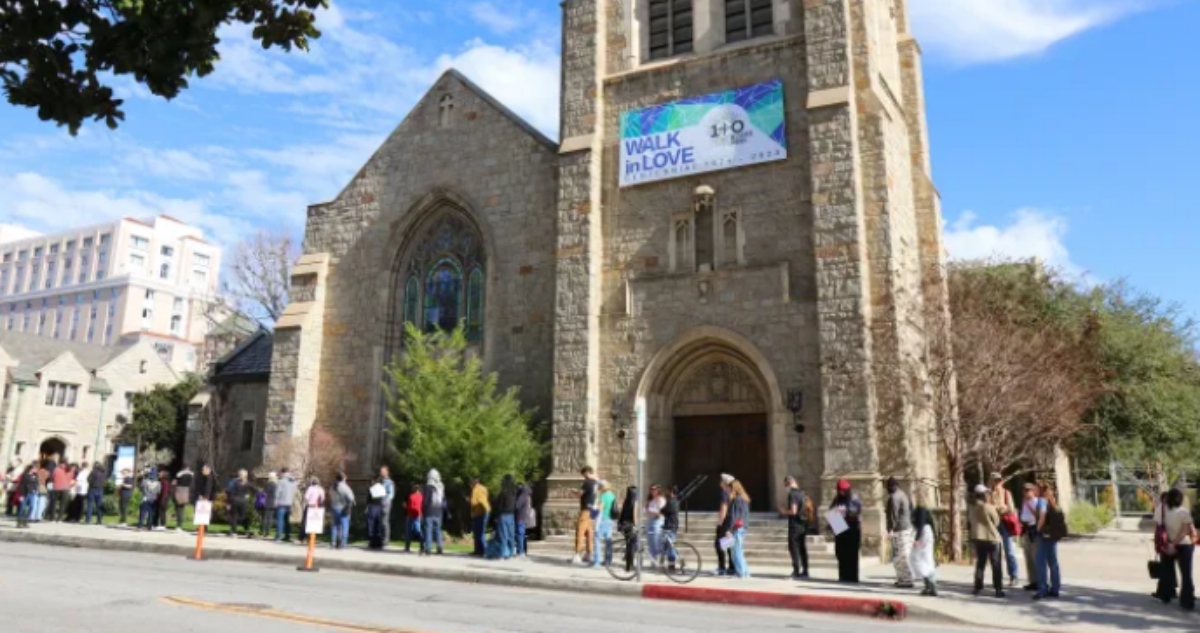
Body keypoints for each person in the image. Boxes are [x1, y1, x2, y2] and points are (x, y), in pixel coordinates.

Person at [1156, 487, 1196, 610]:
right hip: (1184, 545)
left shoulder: (1160, 509)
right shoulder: (1184, 512)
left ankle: (1166, 595)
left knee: (1167, 570)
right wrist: (1175, 543)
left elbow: (1159, 527)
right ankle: (1186, 601)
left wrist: (1169, 543)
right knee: (1186, 574)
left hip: (1166, 544)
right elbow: (1185, 531)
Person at [969, 484, 1005, 598]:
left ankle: (977, 586)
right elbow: (997, 521)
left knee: (980, 563)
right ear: (983, 495)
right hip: (992, 538)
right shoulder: (988, 507)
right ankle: (998, 589)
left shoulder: (972, 508)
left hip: (979, 538)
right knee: (996, 564)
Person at [1034, 486, 1068, 601]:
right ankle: (1055, 589)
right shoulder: (1054, 503)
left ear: (1041, 491)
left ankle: (1042, 589)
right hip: (1052, 536)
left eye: (1035, 489)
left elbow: (1042, 515)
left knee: (1041, 563)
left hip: (1043, 536)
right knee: (1053, 563)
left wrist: (1037, 529)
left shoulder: (1042, 501)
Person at [989, 473, 1021, 588]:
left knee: (1009, 551)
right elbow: (988, 508)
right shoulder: (989, 494)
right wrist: (999, 508)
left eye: (998, 480)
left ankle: (1014, 575)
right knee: (995, 553)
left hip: (1005, 523)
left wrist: (999, 508)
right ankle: (998, 578)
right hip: (994, 524)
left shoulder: (1006, 493)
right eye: (995, 481)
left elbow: (1011, 509)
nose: (997, 483)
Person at [830, 478, 863, 583]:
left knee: (852, 554)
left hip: (852, 528)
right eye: (839, 491)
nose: (841, 493)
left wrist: (845, 512)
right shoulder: (837, 499)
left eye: (843, 491)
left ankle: (852, 577)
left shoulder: (854, 498)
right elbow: (831, 509)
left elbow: (857, 510)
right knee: (840, 552)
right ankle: (843, 575)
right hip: (840, 527)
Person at [887, 477, 916, 589]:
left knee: (900, 555)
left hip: (900, 529)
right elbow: (912, 510)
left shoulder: (894, 497)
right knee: (903, 554)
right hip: (908, 528)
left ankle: (906, 580)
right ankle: (902, 578)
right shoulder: (904, 494)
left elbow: (893, 516)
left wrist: (890, 529)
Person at [781, 475, 810, 579]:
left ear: (788, 483)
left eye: (785, 485)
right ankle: (805, 570)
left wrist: (784, 511)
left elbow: (793, 511)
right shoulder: (802, 493)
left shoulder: (792, 494)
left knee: (794, 548)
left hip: (794, 525)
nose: (786, 488)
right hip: (803, 524)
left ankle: (796, 570)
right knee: (802, 548)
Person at [1019, 482, 1045, 591]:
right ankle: (1032, 581)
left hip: (1034, 529)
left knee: (1036, 557)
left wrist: (1029, 505)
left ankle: (1040, 581)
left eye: (1028, 491)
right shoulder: (1024, 502)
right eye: (1025, 491)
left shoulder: (1036, 502)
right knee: (1028, 557)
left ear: (1033, 491)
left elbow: (1038, 516)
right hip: (1026, 529)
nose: (1026, 493)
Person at [572, 466, 598, 565]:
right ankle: (589, 553)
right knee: (589, 532)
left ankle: (577, 554)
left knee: (580, 531)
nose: (583, 476)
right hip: (593, 510)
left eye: (583, 474)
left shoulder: (587, 482)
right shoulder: (596, 483)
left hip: (585, 510)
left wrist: (574, 492)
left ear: (586, 472)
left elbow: (580, 494)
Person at [910, 506, 939, 596]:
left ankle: (930, 584)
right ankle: (930, 585)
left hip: (924, 534)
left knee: (917, 558)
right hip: (926, 534)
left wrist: (917, 539)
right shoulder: (922, 508)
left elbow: (921, 524)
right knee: (927, 559)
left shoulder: (921, 508)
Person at [727, 479, 752, 579]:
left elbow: (734, 516)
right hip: (742, 527)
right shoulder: (744, 499)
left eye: (729, 489)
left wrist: (729, 529)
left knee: (735, 551)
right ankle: (745, 572)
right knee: (738, 551)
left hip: (736, 528)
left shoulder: (736, 499)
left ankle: (740, 573)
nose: (728, 491)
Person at [592, 481, 617, 568]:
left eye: (599, 486)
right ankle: (608, 560)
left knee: (597, 540)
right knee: (608, 541)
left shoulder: (603, 496)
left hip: (603, 520)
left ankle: (597, 561)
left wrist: (594, 508)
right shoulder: (612, 495)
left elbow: (600, 508)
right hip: (610, 520)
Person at [715, 474, 735, 576]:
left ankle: (722, 567)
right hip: (730, 521)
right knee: (727, 544)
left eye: (721, 480)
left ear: (724, 482)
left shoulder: (723, 493)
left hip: (725, 522)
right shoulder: (730, 493)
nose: (720, 482)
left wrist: (720, 522)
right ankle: (732, 567)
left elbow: (723, 509)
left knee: (719, 544)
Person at [422, 469, 445, 556]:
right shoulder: (441, 486)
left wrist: (424, 510)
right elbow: (443, 500)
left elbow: (426, 501)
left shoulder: (428, 486)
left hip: (429, 511)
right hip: (438, 511)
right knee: (438, 530)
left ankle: (428, 549)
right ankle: (440, 548)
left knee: (428, 530)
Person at [330, 471, 355, 549]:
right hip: (343, 508)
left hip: (334, 507)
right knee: (344, 526)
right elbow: (351, 498)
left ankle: (333, 541)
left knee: (335, 525)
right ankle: (343, 543)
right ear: (343, 478)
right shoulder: (345, 487)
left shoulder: (332, 487)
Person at [227, 469, 255, 538]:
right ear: (246, 475)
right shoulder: (247, 483)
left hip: (235, 500)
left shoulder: (235, 482)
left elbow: (230, 492)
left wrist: (229, 502)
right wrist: (249, 495)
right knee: (243, 516)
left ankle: (234, 532)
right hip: (242, 501)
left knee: (234, 517)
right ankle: (246, 530)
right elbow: (255, 490)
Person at [495, 475, 518, 560]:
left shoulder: (503, 492)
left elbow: (499, 505)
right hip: (511, 515)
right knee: (511, 536)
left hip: (503, 515)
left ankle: (501, 554)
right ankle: (511, 554)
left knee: (503, 535)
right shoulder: (514, 492)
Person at [274, 468, 297, 542]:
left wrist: (276, 501)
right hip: (289, 503)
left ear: (283, 473)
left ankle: (278, 536)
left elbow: (278, 492)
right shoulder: (293, 482)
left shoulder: (281, 481)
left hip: (281, 503)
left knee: (280, 520)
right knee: (287, 521)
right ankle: (287, 535)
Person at [645, 484, 666, 563]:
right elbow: (646, 511)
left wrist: (651, 511)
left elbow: (660, 512)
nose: (652, 491)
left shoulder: (661, 499)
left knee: (656, 540)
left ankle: (660, 558)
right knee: (650, 542)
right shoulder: (650, 500)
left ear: (658, 490)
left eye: (654, 489)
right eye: (651, 489)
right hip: (650, 521)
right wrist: (649, 511)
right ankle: (653, 560)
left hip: (658, 521)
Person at [470, 478, 491, 557]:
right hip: (486, 510)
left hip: (479, 512)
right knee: (480, 531)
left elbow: (473, 502)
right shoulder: (484, 488)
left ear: (472, 483)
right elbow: (485, 499)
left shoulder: (475, 489)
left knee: (479, 532)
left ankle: (483, 551)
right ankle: (479, 551)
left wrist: (469, 500)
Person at [662, 485, 680, 568]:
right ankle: (667, 561)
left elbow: (664, 510)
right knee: (667, 544)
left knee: (670, 545)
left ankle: (673, 562)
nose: (666, 492)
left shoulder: (671, 502)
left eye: (668, 491)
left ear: (671, 491)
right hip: (671, 525)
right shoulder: (675, 501)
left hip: (671, 526)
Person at [366, 475, 386, 550]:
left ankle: (371, 541)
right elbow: (383, 499)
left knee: (371, 525)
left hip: (372, 506)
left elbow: (368, 499)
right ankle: (379, 542)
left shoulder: (371, 488)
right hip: (379, 507)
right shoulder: (382, 488)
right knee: (378, 525)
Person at [302, 476, 325, 540]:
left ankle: (303, 537)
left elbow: (306, 497)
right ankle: (313, 537)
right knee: (315, 522)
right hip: (317, 506)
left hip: (310, 505)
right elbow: (323, 498)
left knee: (306, 521)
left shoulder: (310, 488)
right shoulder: (321, 489)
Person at [173, 465, 195, 532]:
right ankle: (180, 525)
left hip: (180, 490)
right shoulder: (192, 474)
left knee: (178, 509)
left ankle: (179, 525)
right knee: (182, 508)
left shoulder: (180, 474)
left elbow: (175, 482)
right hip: (187, 491)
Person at [515, 481, 533, 558]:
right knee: (523, 535)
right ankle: (524, 551)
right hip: (526, 517)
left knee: (520, 534)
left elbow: (517, 505)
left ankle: (520, 551)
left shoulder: (523, 495)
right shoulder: (528, 496)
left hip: (521, 517)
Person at [405, 483, 424, 552]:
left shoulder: (411, 496)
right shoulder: (421, 497)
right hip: (418, 515)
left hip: (410, 515)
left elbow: (408, 506)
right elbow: (422, 507)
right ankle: (422, 545)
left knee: (408, 531)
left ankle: (407, 546)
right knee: (418, 530)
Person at [379, 466, 395, 547]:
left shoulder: (389, 482)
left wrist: (386, 501)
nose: (381, 473)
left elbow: (391, 494)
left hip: (386, 503)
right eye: (380, 471)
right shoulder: (381, 482)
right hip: (381, 503)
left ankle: (386, 540)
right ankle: (382, 538)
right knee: (382, 522)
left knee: (385, 521)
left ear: (387, 472)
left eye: (382, 471)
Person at [260, 472, 279, 538]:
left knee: (265, 517)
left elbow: (264, 493)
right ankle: (267, 532)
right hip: (273, 502)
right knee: (270, 518)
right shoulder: (276, 485)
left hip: (267, 501)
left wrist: (262, 492)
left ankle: (263, 531)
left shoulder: (268, 484)